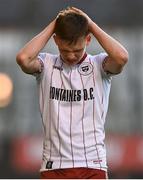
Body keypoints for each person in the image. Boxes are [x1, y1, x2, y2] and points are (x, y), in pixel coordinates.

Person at [16, 7, 128, 179]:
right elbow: (23, 58)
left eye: (77, 50)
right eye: (65, 50)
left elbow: (121, 57)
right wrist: (56, 24)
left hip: (92, 163)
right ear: (56, 41)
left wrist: (90, 24)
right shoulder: (46, 65)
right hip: (54, 165)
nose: (71, 56)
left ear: (88, 39)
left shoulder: (99, 66)